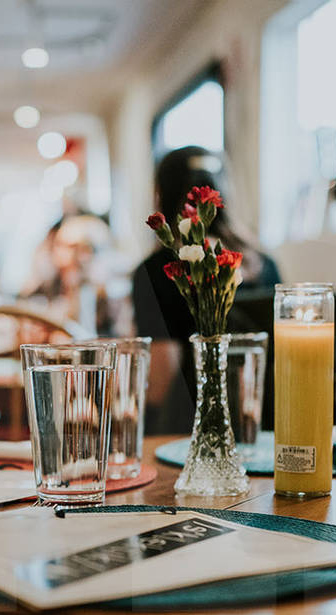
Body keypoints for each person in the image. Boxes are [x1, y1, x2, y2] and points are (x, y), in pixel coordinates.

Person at [131, 146, 281, 433]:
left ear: (159, 194)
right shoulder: (264, 264)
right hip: (266, 430)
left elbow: (162, 387)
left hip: (189, 437)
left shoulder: (157, 271)